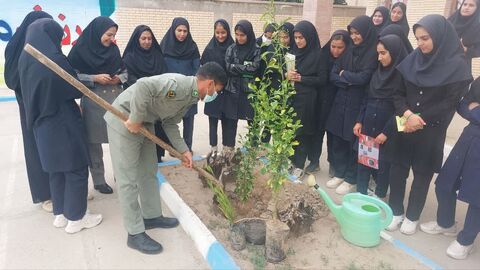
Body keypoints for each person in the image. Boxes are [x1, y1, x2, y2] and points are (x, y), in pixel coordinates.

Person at [104, 62, 227, 254]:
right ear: (210, 84)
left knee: (148, 171)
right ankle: (134, 233)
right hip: (125, 120)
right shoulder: (177, 85)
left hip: (146, 123)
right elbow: (143, 86)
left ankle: (151, 216)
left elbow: (170, 122)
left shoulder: (191, 97)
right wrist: (135, 118)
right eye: (216, 91)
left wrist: (184, 150)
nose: (214, 96)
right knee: (127, 179)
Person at [386, 14, 472, 235]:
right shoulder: (412, 60)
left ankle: (412, 216)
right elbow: (397, 93)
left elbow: (449, 103)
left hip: (431, 130)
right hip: (404, 123)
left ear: (440, 37)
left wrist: (418, 118)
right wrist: (407, 113)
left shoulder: (456, 67)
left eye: (425, 38)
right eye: (417, 39)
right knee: (398, 169)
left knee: (422, 174)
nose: (420, 43)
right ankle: (396, 211)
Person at [18, 18, 102, 233]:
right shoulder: (53, 60)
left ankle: (60, 214)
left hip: (40, 124)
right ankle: (76, 218)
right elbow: (74, 89)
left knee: (56, 170)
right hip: (62, 121)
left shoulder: (25, 59)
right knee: (75, 168)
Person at [419, 77, 480, 260]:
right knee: (445, 182)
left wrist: (475, 110)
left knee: (477, 197)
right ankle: (446, 223)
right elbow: (463, 103)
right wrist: (475, 111)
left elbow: (471, 106)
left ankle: (466, 241)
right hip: (469, 137)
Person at [68, 16, 127, 195]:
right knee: (94, 143)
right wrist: (93, 78)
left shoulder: (114, 50)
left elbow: (125, 70)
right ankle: (99, 180)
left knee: (119, 142)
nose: (111, 39)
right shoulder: (79, 50)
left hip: (114, 98)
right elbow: (71, 76)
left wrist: (120, 78)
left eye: (113, 35)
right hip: (93, 101)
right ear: (97, 32)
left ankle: (121, 176)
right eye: (108, 34)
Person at [4, 10, 52, 211]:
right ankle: (44, 195)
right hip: (29, 106)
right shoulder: (16, 47)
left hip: (49, 104)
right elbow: (11, 79)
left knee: (55, 148)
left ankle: (62, 190)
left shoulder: (45, 45)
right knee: (36, 148)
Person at [325, 15, 378, 195]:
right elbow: (333, 75)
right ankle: (339, 173)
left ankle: (350, 178)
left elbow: (365, 78)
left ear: (366, 32)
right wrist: (348, 79)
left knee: (352, 142)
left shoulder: (372, 53)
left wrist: (344, 75)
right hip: (341, 101)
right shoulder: (349, 51)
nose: (354, 37)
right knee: (338, 139)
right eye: (352, 33)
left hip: (358, 103)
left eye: (357, 33)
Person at [353, 34, 408, 198]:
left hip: (388, 130)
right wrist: (359, 121)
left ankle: (379, 197)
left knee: (384, 166)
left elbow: (404, 109)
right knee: (364, 163)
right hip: (369, 124)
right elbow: (366, 97)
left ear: (395, 52)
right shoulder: (377, 73)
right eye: (378, 53)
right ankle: (360, 195)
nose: (379, 57)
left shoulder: (405, 77)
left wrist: (387, 132)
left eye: (383, 53)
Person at [287, 20, 328, 179]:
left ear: (309, 37)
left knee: (302, 134)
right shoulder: (292, 53)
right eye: (296, 37)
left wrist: (302, 78)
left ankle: (299, 165)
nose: (298, 41)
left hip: (308, 101)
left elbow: (322, 80)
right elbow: (287, 74)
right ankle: (290, 161)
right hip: (292, 98)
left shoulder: (318, 55)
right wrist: (287, 76)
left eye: (301, 38)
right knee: (291, 132)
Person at [307, 30, 351, 175]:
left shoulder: (349, 60)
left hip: (338, 103)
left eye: (340, 47)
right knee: (316, 134)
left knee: (333, 137)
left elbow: (348, 81)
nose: (336, 50)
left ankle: (333, 164)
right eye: (333, 46)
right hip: (320, 101)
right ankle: (314, 161)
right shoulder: (322, 56)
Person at [159, 17, 200, 159]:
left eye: (185, 31)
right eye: (179, 30)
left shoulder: (192, 48)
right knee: (169, 119)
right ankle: (172, 147)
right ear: (173, 30)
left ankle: (187, 147)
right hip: (170, 91)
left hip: (188, 91)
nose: (182, 34)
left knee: (189, 120)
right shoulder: (164, 46)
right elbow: (160, 70)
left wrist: (194, 90)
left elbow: (197, 70)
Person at [222, 20, 261, 159]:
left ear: (249, 34)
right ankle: (228, 149)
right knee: (231, 121)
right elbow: (227, 67)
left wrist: (235, 67)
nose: (239, 38)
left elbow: (254, 69)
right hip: (232, 90)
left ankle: (254, 149)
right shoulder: (231, 48)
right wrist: (243, 69)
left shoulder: (256, 49)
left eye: (242, 35)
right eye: (237, 34)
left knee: (253, 122)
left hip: (249, 91)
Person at [200, 19, 234, 155]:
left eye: (223, 32)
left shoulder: (233, 47)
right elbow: (204, 69)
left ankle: (227, 148)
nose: (220, 36)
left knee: (227, 120)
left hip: (228, 90)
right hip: (213, 90)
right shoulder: (209, 49)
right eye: (217, 32)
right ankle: (213, 148)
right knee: (212, 120)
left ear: (228, 32)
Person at [123, 25, 167, 89]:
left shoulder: (158, 56)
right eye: (143, 38)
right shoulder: (129, 58)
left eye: (149, 39)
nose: (147, 42)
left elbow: (164, 75)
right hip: (138, 92)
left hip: (157, 91)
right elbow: (129, 77)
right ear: (137, 39)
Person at [448, 0, 480, 73]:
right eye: (465, 4)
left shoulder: (477, 28)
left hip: (460, 68)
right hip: (440, 62)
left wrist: (465, 49)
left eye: (471, 5)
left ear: (477, 9)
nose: (466, 7)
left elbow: (478, 50)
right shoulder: (449, 22)